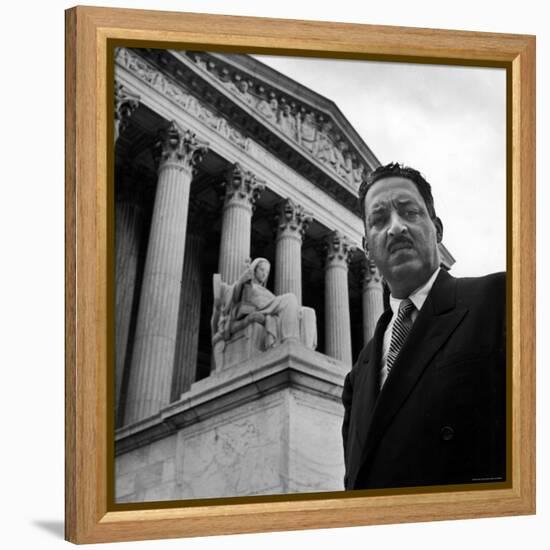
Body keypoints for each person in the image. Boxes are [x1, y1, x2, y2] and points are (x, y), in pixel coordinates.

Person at [342, 162, 506, 490]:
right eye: (379, 220)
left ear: (438, 229)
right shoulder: (358, 375)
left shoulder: (501, 300)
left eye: (410, 212)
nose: (396, 228)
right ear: (368, 250)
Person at [227, 258, 301, 347]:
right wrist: (242, 280)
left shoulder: (266, 291)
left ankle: (303, 350)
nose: (264, 274)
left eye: (267, 272)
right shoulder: (248, 285)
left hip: (271, 307)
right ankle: (290, 341)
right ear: (254, 269)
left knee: (308, 312)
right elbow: (234, 298)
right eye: (262, 270)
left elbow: (275, 303)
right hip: (260, 308)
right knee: (290, 298)